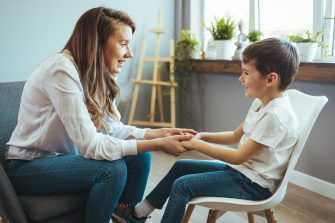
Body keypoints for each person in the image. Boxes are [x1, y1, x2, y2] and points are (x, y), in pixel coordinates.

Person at [5, 7, 196, 223]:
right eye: (123, 44)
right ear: (96, 42)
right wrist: (159, 144)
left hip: (65, 159)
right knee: (112, 170)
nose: (130, 53)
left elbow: (112, 129)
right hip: (28, 167)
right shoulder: (60, 69)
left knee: (140, 156)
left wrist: (155, 134)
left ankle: (125, 216)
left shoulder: (98, 73)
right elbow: (91, 145)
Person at [123, 38, 301, 223]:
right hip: (241, 173)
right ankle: (138, 214)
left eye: (246, 73)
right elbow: (235, 136)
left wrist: (197, 144)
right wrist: (201, 135)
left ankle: (139, 216)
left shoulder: (276, 116)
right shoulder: (261, 103)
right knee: (181, 167)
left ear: (271, 79)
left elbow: (238, 156)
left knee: (182, 185)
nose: (241, 79)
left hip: (254, 186)